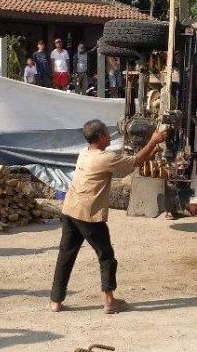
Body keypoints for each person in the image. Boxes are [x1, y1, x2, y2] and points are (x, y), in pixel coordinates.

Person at [50, 119, 167, 314]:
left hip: (71, 209)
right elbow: (134, 162)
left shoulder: (85, 153)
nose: (109, 137)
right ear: (101, 137)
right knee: (106, 257)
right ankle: (109, 301)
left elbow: (134, 161)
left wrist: (149, 152)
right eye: (106, 133)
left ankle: (56, 301)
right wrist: (154, 140)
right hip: (88, 214)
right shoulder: (105, 158)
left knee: (66, 255)